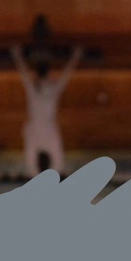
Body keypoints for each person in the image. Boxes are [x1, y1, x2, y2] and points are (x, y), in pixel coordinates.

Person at [11, 43, 82, 179]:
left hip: (40, 135)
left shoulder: (37, 94)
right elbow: (65, 77)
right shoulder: (48, 93)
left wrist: (16, 55)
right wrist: (76, 56)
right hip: (43, 135)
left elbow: (25, 77)